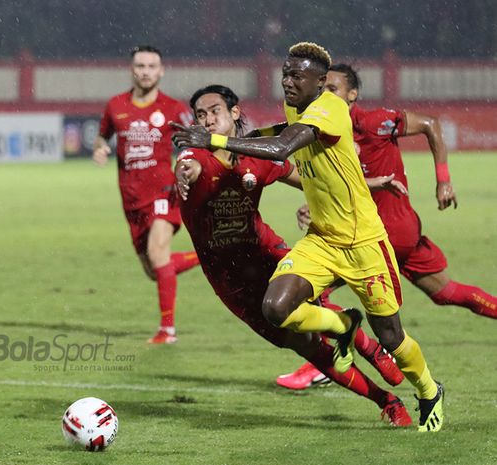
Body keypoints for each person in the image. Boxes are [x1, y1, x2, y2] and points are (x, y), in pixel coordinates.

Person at [172, 42, 444, 432]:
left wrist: (212, 140)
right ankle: (343, 327)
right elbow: (278, 134)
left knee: (392, 337)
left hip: (363, 242)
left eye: (296, 75)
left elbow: (283, 147)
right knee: (278, 308)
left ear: (320, 82)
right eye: (285, 73)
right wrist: (190, 161)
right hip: (321, 240)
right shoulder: (294, 108)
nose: (286, 80)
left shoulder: (329, 108)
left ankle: (429, 390)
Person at [276, 63, 497, 391]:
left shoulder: (372, 122)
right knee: (445, 292)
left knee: (304, 295)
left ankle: (321, 364)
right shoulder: (324, 130)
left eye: (333, 90)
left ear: (353, 95)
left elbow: (431, 123)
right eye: (323, 90)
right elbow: (342, 182)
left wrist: (444, 181)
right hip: (395, 232)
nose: (326, 96)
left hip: (378, 235)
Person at [94, 45, 200, 344]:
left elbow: (193, 143)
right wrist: (100, 147)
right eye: (140, 66)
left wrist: (189, 166)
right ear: (132, 69)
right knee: (155, 270)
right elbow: (102, 135)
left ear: (161, 71)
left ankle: (167, 331)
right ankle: (205, 256)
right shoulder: (115, 105)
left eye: (152, 66)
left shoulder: (172, 108)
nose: (146, 71)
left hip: (164, 193)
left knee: (157, 254)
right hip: (131, 200)